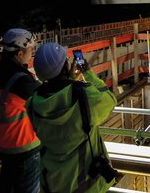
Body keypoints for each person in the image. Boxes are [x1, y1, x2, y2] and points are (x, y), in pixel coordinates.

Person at [28, 42, 118, 193]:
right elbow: (110, 100)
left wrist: (69, 81)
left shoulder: (33, 103)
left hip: (52, 183)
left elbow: (58, 97)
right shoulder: (83, 95)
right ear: (65, 66)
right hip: (85, 184)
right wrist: (88, 74)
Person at [0, 28, 41, 193]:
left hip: (5, 147)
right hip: (25, 147)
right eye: (30, 50)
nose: (32, 53)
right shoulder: (21, 81)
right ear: (20, 54)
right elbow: (47, 99)